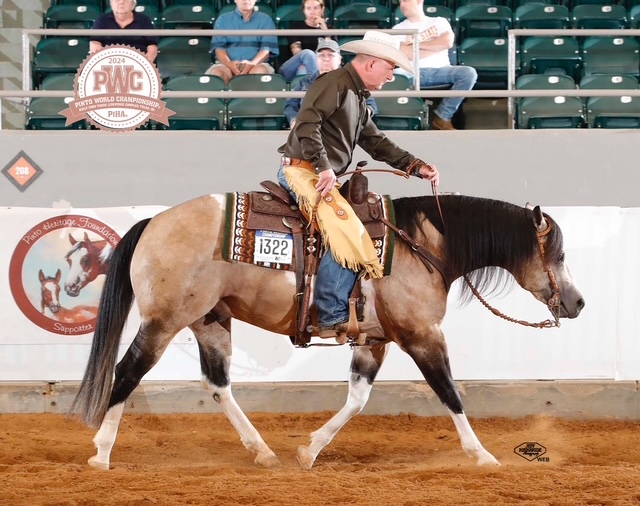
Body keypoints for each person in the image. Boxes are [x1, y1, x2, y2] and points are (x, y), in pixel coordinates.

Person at [277, 31, 440, 338]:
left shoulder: (356, 97)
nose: (392, 76)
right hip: (304, 173)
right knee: (347, 232)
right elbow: (307, 124)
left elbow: (375, 142)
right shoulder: (334, 84)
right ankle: (330, 315)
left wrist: (414, 165)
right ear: (370, 64)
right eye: (390, 68)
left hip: (316, 174)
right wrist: (324, 167)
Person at [392, 0, 477, 130]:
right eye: (400, 1)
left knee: (469, 73)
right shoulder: (397, 29)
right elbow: (404, 54)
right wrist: (434, 46)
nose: (402, 5)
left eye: (406, 0)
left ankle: (442, 117)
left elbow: (447, 42)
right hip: (411, 73)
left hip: (441, 70)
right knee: (394, 80)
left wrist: (414, 47)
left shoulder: (439, 21)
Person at [284, 38, 378, 128]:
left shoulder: (354, 81)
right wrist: (293, 120)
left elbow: (370, 105)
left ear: (339, 59)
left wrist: (360, 117)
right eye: (322, 55)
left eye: (331, 55)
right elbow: (290, 106)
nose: (326, 59)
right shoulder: (304, 83)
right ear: (316, 59)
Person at [206, 0, 279, 85]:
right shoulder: (223, 19)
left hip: (257, 64)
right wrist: (229, 64)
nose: (246, 0)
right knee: (218, 74)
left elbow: (266, 49)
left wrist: (252, 64)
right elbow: (219, 49)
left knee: (260, 71)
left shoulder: (266, 20)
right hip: (226, 64)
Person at [277, 0, 332, 82]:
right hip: (293, 67)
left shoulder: (329, 29)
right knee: (307, 55)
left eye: (315, 8)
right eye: (308, 8)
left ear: (322, 9)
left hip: (318, 69)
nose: (312, 12)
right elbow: (296, 52)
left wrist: (325, 31)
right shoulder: (296, 26)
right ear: (304, 10)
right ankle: (319, 85)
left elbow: (331, 53)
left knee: (305, 72)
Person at [90, 0, 158, 62]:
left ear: (133, 3)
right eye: (117, 0)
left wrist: (143, 65)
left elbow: (152, 48)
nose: (121, 2)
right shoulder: (102, 20)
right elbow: (95, 45)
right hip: (108, 67)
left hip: (139, 67)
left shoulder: (144, 20)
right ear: (111, 3)